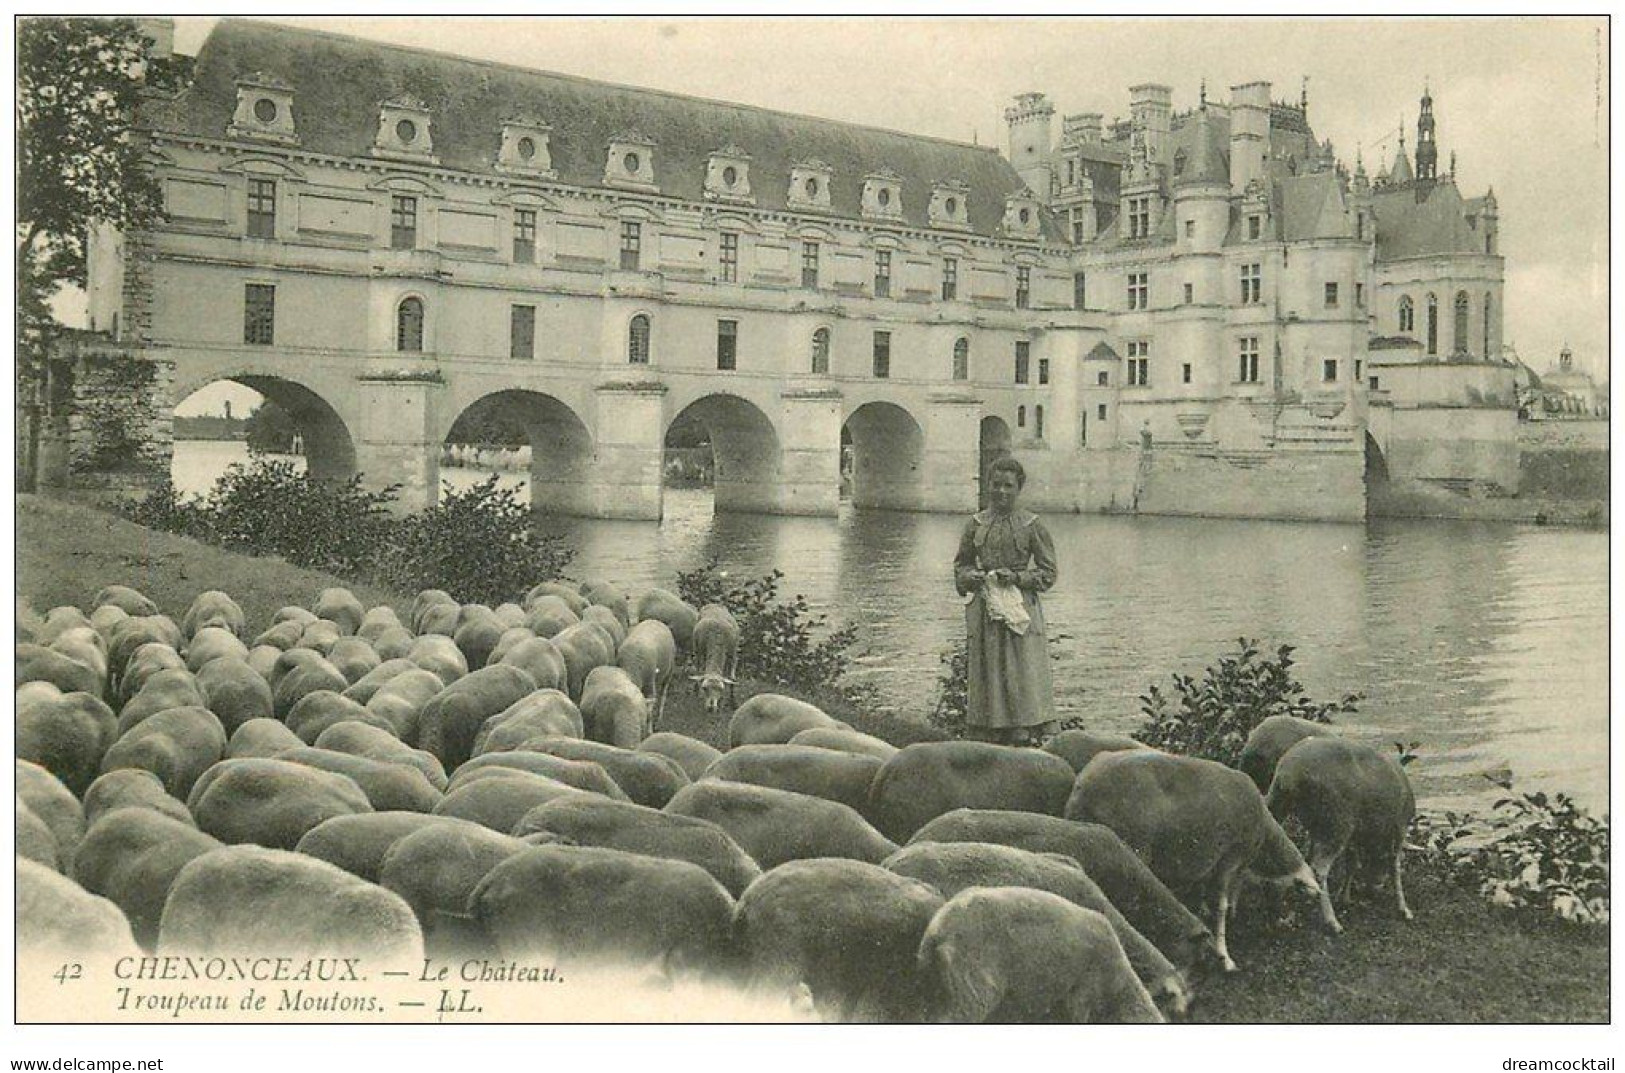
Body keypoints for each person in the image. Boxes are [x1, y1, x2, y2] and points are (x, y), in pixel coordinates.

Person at [952, 456, 1058, 746]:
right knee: (989, 667)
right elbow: (960, 564)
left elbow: (1049, 573)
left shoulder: (1032, 525)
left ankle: (1024, 731)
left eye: (1008, 486)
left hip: (1021, 610)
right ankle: (989, 731)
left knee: (1020, 668)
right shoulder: (975, 524)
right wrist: (970, 577)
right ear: (987, 486)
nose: (1001, 492)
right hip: (987, 609)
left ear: (1018, 489)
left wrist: (1019, 578)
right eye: (996, 485)